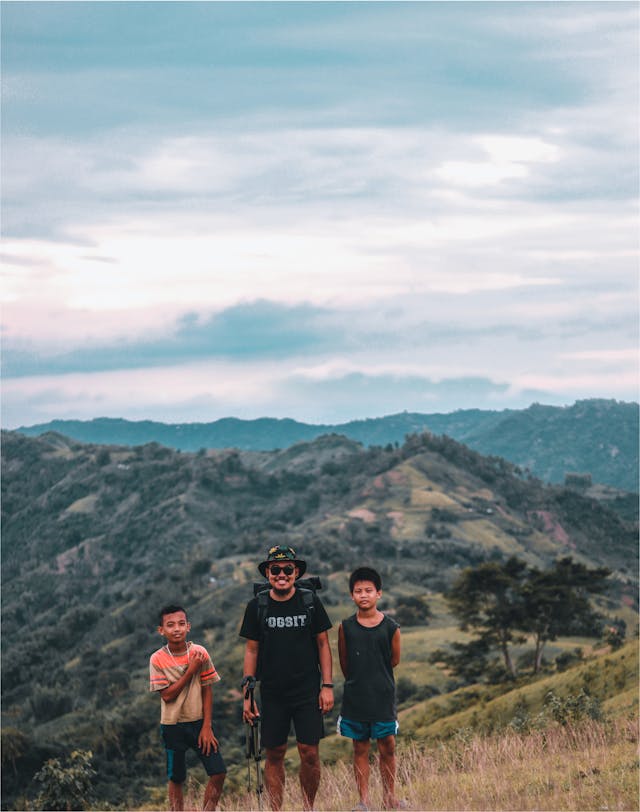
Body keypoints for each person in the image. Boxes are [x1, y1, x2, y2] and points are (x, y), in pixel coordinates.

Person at [239, 545, 334, 811]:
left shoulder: (310, 602)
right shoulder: (257, 606)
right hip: (272, 693)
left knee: (310, 754)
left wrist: (326, 686)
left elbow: (324, 645)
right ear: (268, 572)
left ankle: (308, 807)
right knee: (275, 754)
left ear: (296, 572)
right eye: (276, 569)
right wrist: (248, 695)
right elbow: (251, 649)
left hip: (307, 691)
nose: (282, 574)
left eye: (288, 569)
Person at [337, 567, 403, 812]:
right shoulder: (346, 627)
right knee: (360, 747)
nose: (363, 595)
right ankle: (363, 801)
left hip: (383, 696)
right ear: (351, 596)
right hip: (356, 697)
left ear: (379, 593)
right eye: (358, 591)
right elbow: (345, 662)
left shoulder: (391, 627)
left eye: (368, 590)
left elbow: (394, 660)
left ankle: (390, 797)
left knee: (388, 745)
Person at [149, 604, 226, 811]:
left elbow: (207, 690)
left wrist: (207, 726)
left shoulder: (200, 653)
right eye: (170, 625)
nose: (176, 629)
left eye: (181, 624)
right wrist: (191, 670)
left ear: (188, 626)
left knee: (218, 772)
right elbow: (167, 695)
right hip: (172, 725)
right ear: (161, 630)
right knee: (177, 777)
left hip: (199, 722)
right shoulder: (157, 659)